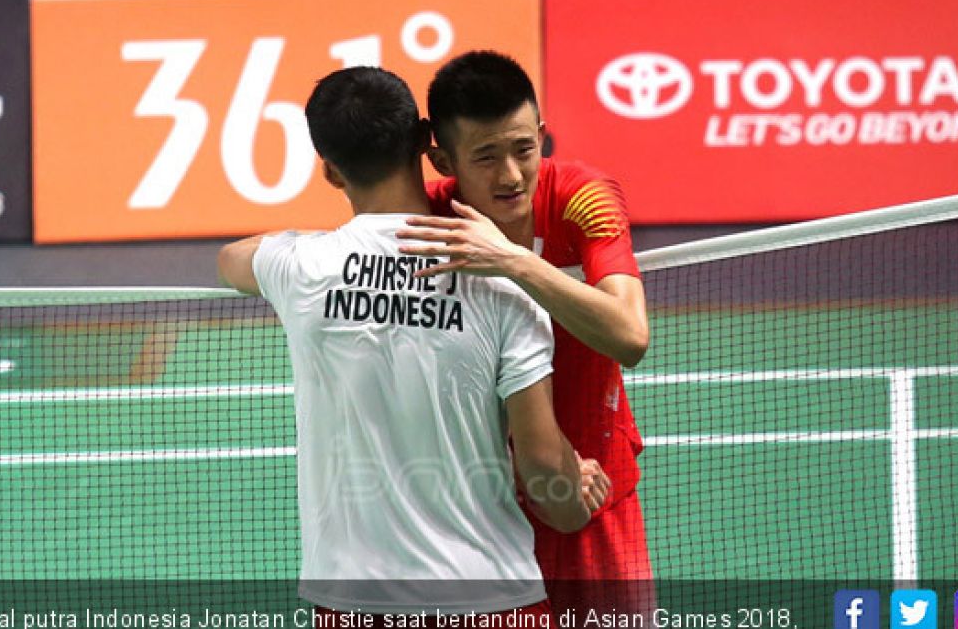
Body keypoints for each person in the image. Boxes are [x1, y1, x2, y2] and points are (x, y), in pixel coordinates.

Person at [217, 66, 606, 621]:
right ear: (427, 143)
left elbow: (230, 258)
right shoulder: (504, 284)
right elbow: (544, 464)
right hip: (492, 597)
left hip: (351, 601)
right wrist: (573, 497)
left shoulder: (298, 267)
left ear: (330, 172)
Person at [396, 51, 652, 614]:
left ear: (541, 135)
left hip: (595, 495)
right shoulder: (427, 224)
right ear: (441, 157)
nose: (511, 175)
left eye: (523, 149)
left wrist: (512, 261)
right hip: (483, 514)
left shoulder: (582, 197)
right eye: (485, 157)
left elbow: (630, 336)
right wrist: (530, 468)